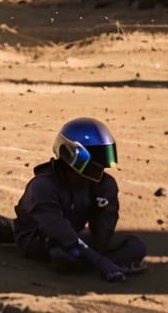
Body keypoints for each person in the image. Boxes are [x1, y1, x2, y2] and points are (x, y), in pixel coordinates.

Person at [14, 117, 147, 283]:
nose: (99, 172)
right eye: (95, 164)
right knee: (63, 255)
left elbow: (104, 226)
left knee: (135, 246)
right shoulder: (42, 187)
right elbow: (59, 231)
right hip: (42, 240)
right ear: (71, 155)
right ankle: (94, 261)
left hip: (76, 237)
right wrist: (101, 261)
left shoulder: (102, 184)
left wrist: (100, 249)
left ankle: (86, 261)